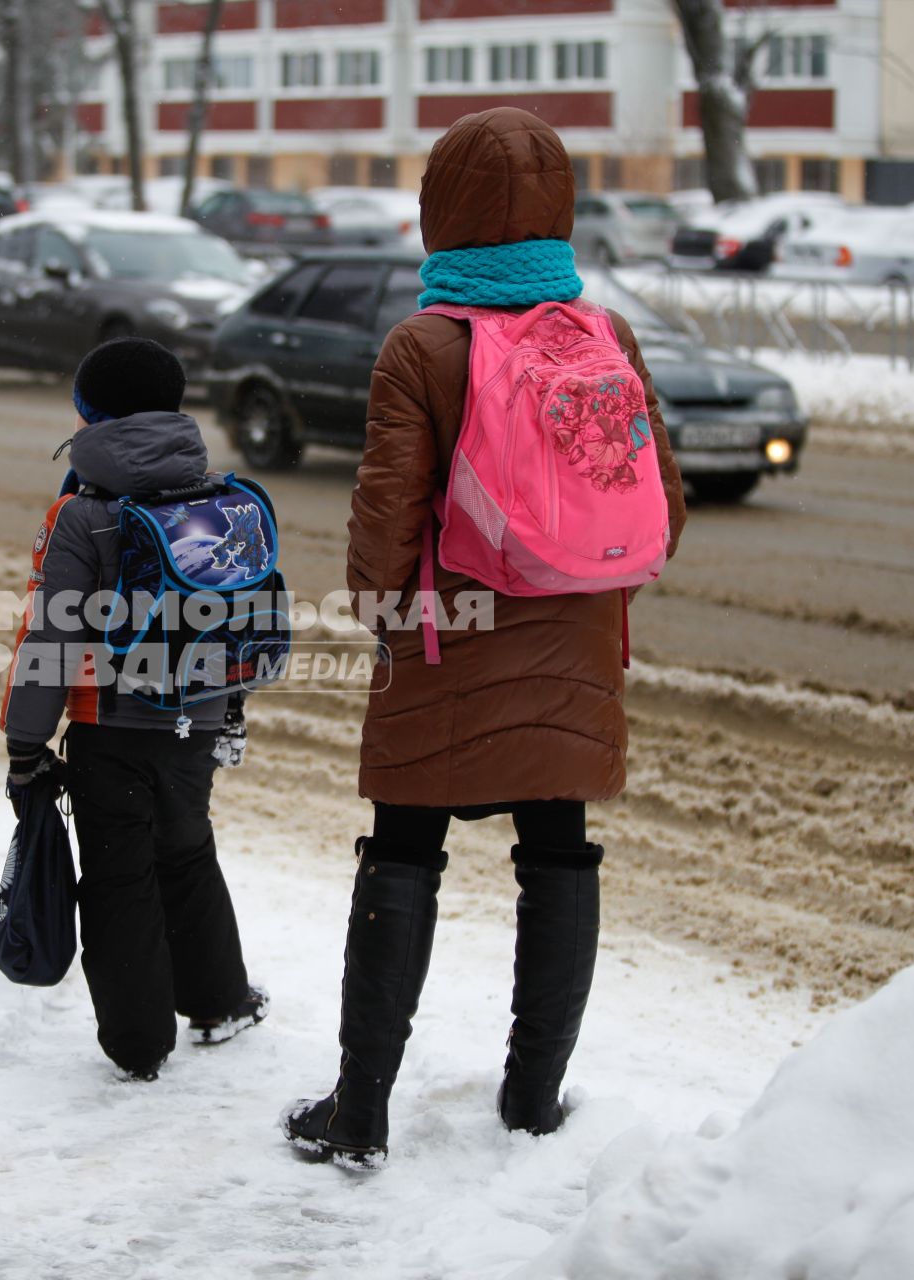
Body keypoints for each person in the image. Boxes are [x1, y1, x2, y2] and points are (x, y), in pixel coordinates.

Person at [282, 108, 687, 1166]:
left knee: (405, 848)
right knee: (559, 851)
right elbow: (665, 509)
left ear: (442, 211)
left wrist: (383, 619)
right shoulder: (604, 337)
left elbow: (386, 518)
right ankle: (533, 1101)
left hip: (444, 640)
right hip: (579, 644)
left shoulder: (424, 345)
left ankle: (360, 1111)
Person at [0, 337, 267, 1081]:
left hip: (108, 726)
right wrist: (228, 706)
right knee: (186, 851)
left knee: (120, 880)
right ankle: (219, 1000)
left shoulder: (84, 514)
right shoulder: (216, 496)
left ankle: (139, 1044)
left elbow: (49, 635)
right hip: (200, 716)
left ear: (89, 413)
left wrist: (26, 744)